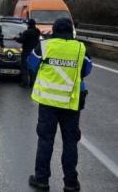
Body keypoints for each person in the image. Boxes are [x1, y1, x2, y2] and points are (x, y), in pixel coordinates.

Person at [27, 18, 92, 192]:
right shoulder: (80, 48)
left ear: (54, 30)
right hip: (71, 104)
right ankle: (70, 183)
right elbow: (87, 69)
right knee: (70, 143)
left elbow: (31, 64)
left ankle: (41, 180)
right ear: (71, 31)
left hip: (48, 103)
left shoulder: (45, 46)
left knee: (45, 141)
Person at [15, 19, 41, 87]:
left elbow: (21, 40)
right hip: (34, 52)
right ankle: (32, 83)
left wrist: (15, 38)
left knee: (24, 67)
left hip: (26, 52)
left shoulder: (26, 32)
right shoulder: (37, 31)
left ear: (29, 24)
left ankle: (25, 83)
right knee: (32, 67)